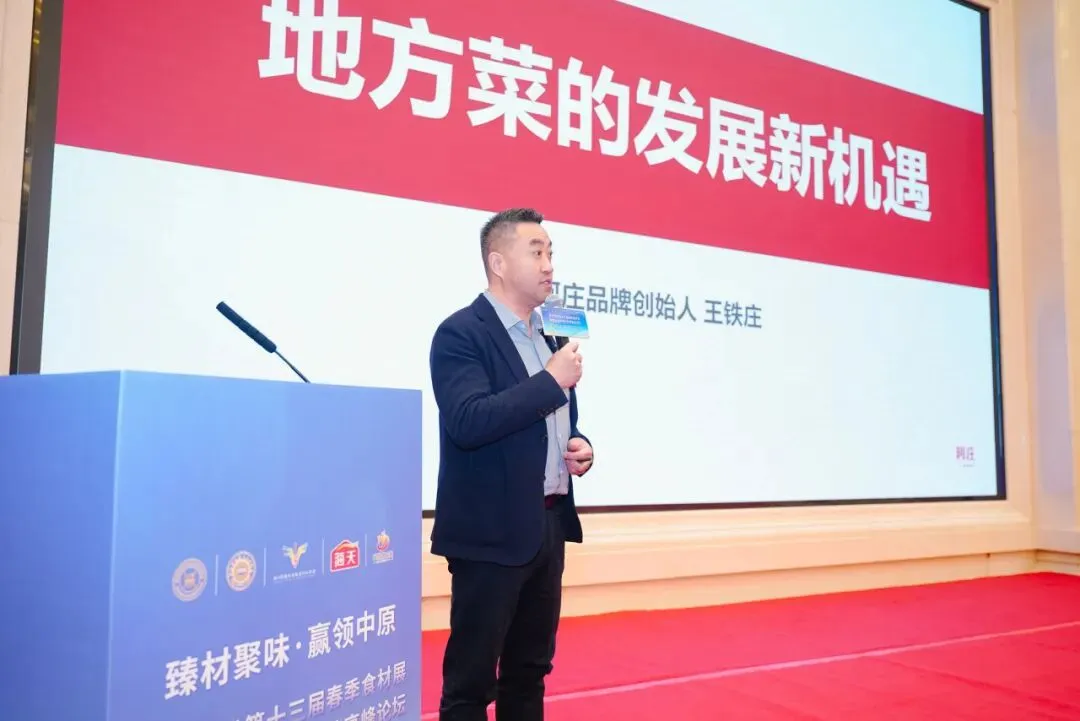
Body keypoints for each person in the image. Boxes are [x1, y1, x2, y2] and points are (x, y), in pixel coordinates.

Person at [428, 207, 595, 721]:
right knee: (471, 684)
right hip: (490, 533)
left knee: (529, 672)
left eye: (551, 253)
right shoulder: (461, 333)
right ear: (498, 263)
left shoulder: (550, 337)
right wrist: (551, 381)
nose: (549, 264)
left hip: (546, 524)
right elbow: (469, 421)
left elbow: (553, 418)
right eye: (536, 252)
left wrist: (579, 444)